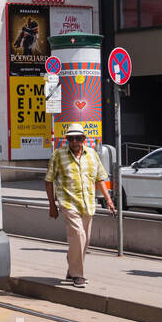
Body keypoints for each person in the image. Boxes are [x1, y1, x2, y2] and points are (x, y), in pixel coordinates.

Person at [45, 123, 114, 289]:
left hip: (88, 203)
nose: (74, 141)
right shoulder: (58, 155)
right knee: (78, 236)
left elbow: (99, 179)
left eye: (78, 138)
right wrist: (52, 205)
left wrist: (109, 200)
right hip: (68, 202)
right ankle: (78, 275)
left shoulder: (92, 155)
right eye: (71, 138)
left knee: (85, 240)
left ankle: (71, 268)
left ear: (84, 139)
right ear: (67, 140)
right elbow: (49, 181)